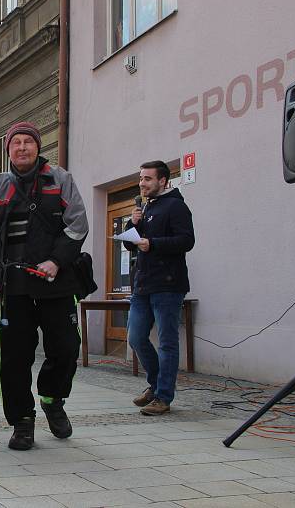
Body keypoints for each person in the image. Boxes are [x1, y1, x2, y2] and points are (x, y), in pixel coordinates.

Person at [0, 121, 89, 451]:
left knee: (65, 348)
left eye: (27, 142)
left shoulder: (60, 180)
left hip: (53, 280)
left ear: (37, 147)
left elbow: (77, 225)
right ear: (8, 150)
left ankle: (52, 400)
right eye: (15, 143)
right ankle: (22, 421)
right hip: (11, 283)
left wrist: (56, 260)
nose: (22, 147)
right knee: (14, 358)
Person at [126, 160, 195, 416]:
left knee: (167, 343)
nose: (142, 183)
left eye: (147, 179)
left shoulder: (176, 206)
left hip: (168, 285)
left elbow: (187, 240)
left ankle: (164, 396)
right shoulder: (145, 207)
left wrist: (152, 243)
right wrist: (132, 225)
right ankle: (155, 386)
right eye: (141, 178)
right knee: (135, 337)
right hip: (142, 285)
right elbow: (131, 244)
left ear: (163, 181)